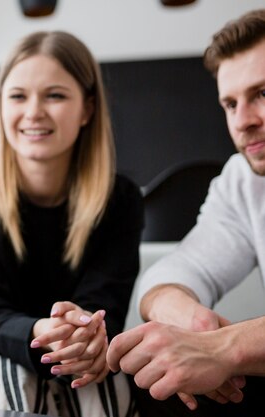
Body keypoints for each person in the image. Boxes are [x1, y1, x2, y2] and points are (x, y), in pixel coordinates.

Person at [0, 30, 143, 417]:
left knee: (107, 384)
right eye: (18, 96)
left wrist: (83, 336)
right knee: (10, 377)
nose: (33, 112)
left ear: (87, 109)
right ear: (1, 105)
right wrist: (37, 333)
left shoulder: (121, 199)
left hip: (78, 359)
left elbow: (105, 309)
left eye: (55, 95)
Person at [106, 9, 265, 417]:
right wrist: (193, 326)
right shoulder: (242, 180)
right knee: (159, 385)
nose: (242, 121)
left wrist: (225, 349)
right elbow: (171, 275)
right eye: (230, 104)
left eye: (262, 94)